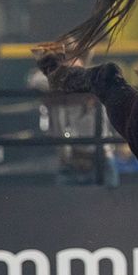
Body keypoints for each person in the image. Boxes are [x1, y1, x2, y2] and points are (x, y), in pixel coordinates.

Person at [30, 56, 120, 187]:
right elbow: (35, 81)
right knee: (64, 206)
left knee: (108, 205)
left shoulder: (94, 83)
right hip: (69, 164)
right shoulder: (54, 87)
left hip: (100, 161)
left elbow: (108, 77)